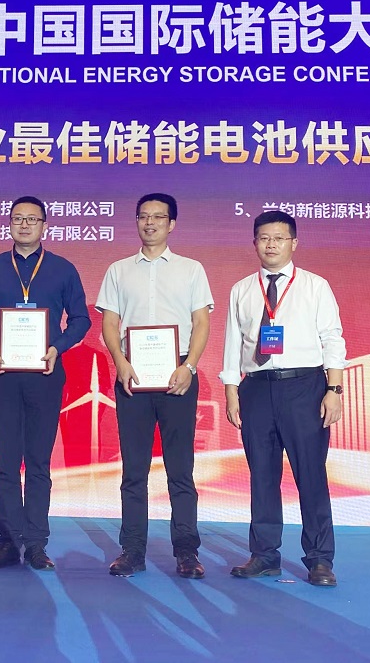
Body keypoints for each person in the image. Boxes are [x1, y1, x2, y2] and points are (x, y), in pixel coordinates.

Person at [220, 210, 346, 587]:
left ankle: (320, 559)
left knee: (310, 474)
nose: (271, 244)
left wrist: (334, 389)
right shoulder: (242, 289)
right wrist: (231, 390)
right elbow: (232, 344)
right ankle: (264, 555)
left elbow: (332, 338)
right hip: (256, 388)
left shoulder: (315, 286)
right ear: (254, 243)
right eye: (264, 238)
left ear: (294, 243)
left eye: (279, 238)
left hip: (304, 387)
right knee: (262, 474)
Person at [0, 196, 90, 570]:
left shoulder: (63, 269)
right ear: (9, 224)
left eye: (32, 219)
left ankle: (36, 543)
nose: (24, 225)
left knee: (38, 462)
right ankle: (7, 541)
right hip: (2, 373)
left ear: (44, 226)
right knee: (6, 462)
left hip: (46, 374)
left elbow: (80, 319)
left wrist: (57, 347)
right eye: (17, 218)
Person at [96, 193, 213, 579]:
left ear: (171, 224)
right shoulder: (118, 270)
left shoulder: (191, 269)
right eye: (143, 216)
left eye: (158, 217)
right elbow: (110, 322)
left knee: (180, 469)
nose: (150, 223)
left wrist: (189, 366)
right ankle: (132, 550)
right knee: (134, 469)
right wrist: (120, 361)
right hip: (132, 375)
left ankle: (186, 552)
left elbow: (201, 322)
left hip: (177, 374)